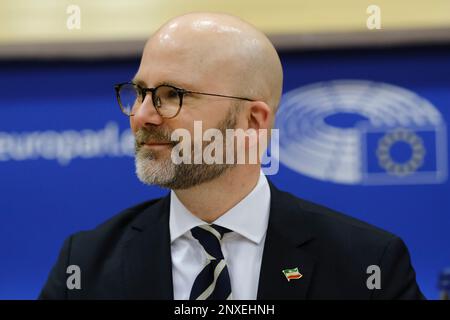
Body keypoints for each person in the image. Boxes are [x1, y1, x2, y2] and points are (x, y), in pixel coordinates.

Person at [39, 12, 424, 300]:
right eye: (140, 92)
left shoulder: (367, 265)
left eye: (173, 94)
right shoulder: (87, 264)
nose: (142, 115)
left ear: (253, 121)